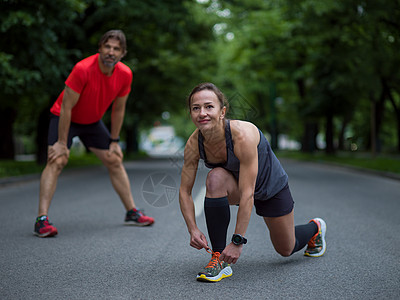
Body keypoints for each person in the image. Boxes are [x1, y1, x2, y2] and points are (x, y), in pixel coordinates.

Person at [179, 82, 326, 282]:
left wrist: (237, 242)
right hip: (237, 186)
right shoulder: (193, 144)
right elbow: (184, 191)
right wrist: (193, 229)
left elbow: (249, 192)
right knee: (214, 178)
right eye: (196, 108)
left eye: (209, 106)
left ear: (222, 112)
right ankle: (218, 258)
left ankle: (315, 228)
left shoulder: (243, 136)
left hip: (269, 188)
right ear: (191, 113)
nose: (202, 113)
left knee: (286, 248)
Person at [34, 29, 154, 238]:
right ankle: (41, 220)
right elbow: (66, 108)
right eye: (107, 46)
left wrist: (115, 141)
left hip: (92, 122)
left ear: (122, 53)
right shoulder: (83, 69)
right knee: (57, 160)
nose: (111, 51)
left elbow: (118, 109)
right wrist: (62, 142)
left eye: (116, 48)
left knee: (114, 160)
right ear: (100, 48)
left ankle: (131, 212)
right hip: (65, 118)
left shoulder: (125, 74)